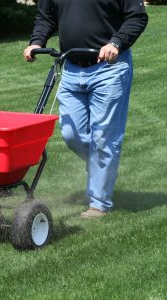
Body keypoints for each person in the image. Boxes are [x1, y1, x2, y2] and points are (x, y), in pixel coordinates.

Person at [24, 0, 148, 218]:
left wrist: (116, 43)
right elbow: (46, 16)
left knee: (103, 138)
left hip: (109, 69)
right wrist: (37, 41)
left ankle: (99, 203)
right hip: (71, 68)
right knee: (72, 134)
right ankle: (101, 169)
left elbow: (137, 16)